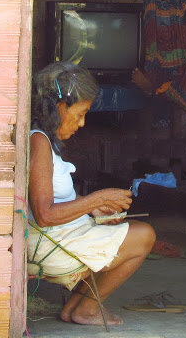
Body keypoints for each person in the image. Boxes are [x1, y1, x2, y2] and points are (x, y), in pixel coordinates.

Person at [27, 61, 155, 326]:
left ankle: (76, 307)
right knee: (144, 236)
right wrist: (96, 199)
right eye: (80, 113)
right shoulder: (38, 142)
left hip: (59, 237)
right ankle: (85, 309)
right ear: (60, 107)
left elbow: (53, 201)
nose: (82, 122)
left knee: (131, 232)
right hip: (51, 246)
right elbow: (44, 215)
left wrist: (92, 209)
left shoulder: (42, 140)